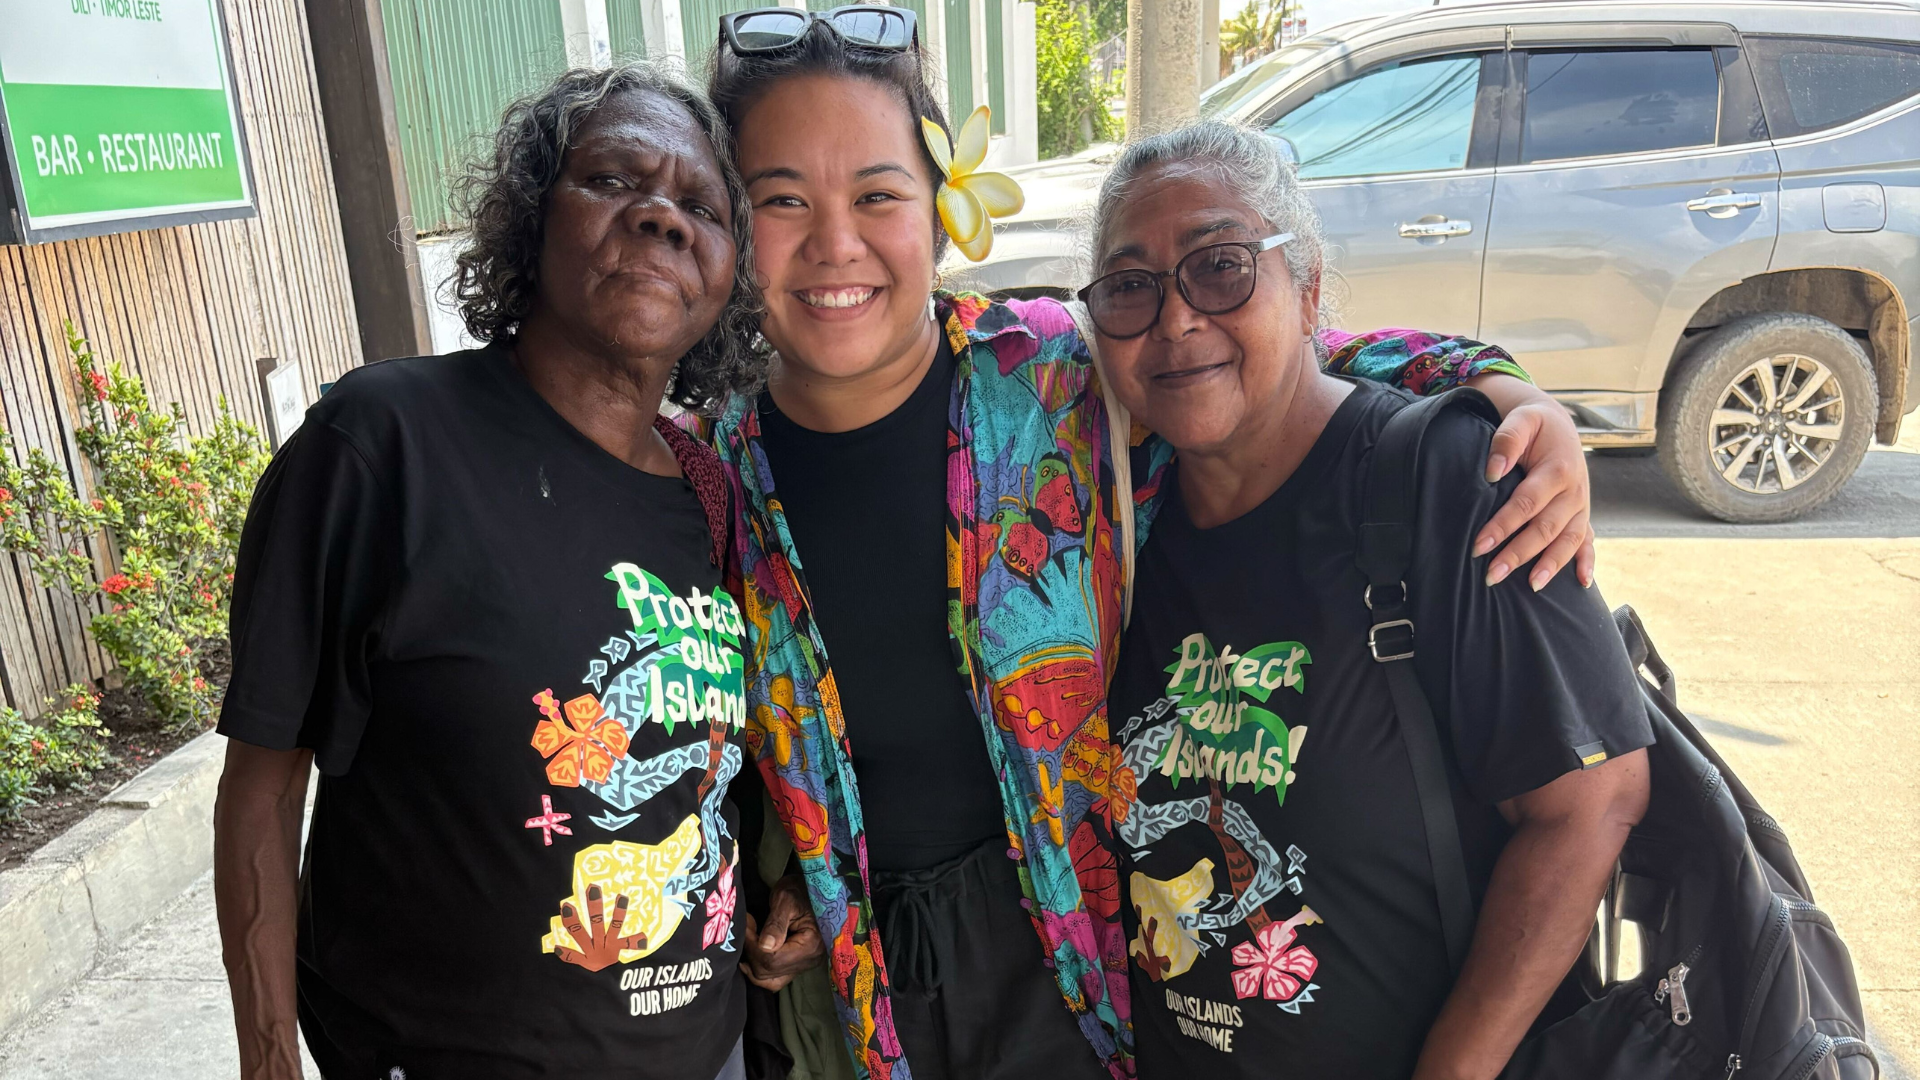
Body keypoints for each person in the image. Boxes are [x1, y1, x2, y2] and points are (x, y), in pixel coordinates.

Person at [702, 14, 1605, 1080]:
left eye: (877, 193)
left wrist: (1492, 383)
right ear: (727, 221)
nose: (835, 243)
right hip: (855, 980)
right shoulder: (716, 463)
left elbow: (1250, 360)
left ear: (939, 211)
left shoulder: (1039, 374)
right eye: (780, 199)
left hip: (1081, 962)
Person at [211, 64, 770, 1080]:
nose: (661, 218)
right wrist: (266, 1059)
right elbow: (261, 779)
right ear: (532, 216)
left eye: (702, 206)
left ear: (730, 270)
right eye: (612, 179)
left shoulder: (711, 489)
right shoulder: (384, 443)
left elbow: (708, 778)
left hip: (707, 1052)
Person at [1090, 121, 1655, 1080]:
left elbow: (1595, 802)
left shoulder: (1443, 481)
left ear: (1307, 287)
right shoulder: (1111, 509)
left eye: (1221, 266)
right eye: (1130, 286)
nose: (1175, 319)